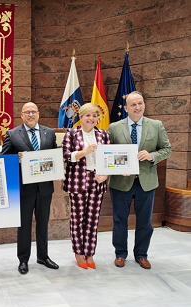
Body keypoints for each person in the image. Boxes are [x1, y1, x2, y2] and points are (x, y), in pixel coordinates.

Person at [108, 91, 171, 269]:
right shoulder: (114, 127)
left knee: (145, 221)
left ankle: (141, 254)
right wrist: (119, 168)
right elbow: (108, 154)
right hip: (121, 182)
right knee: (120, 220)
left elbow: (167, 149)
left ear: (144, 104)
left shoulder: (156, 125)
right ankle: (120, 254)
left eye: (140, 103)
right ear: (126, 108)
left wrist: (152, 156)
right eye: (133, 104)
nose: (138, 107)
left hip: (146, 182)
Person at [1, 102, 59, 274]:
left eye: (34, 111)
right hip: (24, 189)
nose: (31, 115)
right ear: (22, 115)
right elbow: (4, 160)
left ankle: (43, 256)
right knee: (24, 225)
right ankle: (23, 260)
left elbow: (54, 156)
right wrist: (16, 159)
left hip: (45, 189)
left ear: (39, 114)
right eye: (27, 112)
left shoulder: (49, 133)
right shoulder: (12, 134)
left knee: (43, 223)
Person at [62, 103, 110, 269]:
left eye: (94, 115)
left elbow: (108, 159)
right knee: (78, 218)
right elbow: (66, 155)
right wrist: (85, 151)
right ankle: (78, 252)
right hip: (77, 181)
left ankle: (90, 252)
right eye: (87, 115)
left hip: (97, 182)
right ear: (80, 117)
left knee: (92, 219)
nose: (91, 118)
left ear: (98, 118)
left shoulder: (103, 134)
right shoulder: (71, 133)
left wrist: (106, 174)